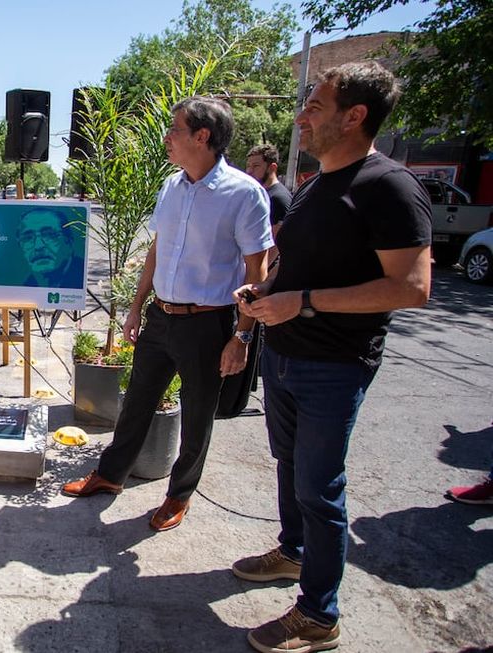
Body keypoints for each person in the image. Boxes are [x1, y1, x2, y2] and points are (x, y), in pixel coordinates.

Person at [232, 61, 431, 653]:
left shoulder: (390, 186)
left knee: (320, 487)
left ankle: (320, 615)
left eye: (315, 105)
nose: (302, 115)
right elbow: (294, 265)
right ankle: (294, 554)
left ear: (355, 115)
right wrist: (266, 295)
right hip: (286, 355)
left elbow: (413, 288)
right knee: (290, 469)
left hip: (335, 365)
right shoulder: (316, 184)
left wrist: (304, 302)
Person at [61, 96, 273, 534]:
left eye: (175, 129)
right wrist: (136, 307)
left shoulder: (244, 193)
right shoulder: (173, 187)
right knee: (137, 401)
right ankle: (111, 476)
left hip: (208, 324)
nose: (167, 138)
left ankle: (179, 494)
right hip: (161, 316)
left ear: (202, 136)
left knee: (197, 416)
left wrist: (243, 336)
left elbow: (258, 270)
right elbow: (158, 249)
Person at [17, 207, 85, 288]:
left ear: (69, 241)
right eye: (28, 238)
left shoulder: (81, 278)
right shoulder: (23, 290)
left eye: (49, 235)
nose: (38, 246)